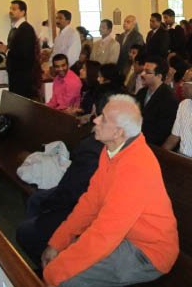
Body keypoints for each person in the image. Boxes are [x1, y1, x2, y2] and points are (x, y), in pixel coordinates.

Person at [41, 95, 179, 287]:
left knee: (65, 278)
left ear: (118, 133)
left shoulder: (136, 167)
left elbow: (107, 231)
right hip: (123, 235)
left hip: (148, 252)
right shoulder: (111, 152)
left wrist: (57, 271)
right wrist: (58, 241)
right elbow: (91, 202)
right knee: (58, 256)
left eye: (104, 119)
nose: (96, 120)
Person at [16, 132, 103, 267]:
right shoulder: (101, 146)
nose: (96, 122)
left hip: (78, 203)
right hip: (79, 193)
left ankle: (46, 262)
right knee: (36, 198)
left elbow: (71, 193)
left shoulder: (93, 150)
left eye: (103, 121)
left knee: (26, 230)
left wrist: (49, 204)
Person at [0, 0, 40, 99]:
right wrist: (0, 46)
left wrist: (6, 50)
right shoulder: (15, 29)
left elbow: (25, 53)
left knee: (22, 102)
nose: (11, 11)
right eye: (10, 8)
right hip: (15, 74)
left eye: (14, 9)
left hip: (23, 75)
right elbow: (14, 47)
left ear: (23, 12)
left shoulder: (26, 29)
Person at [135, 56, 179, 146]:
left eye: (147, 72)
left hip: (152, 145)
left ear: (159, 76)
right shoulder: (141, 92)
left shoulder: (169, 98)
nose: (142, 74)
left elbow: (163, 131)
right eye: (143, 71)